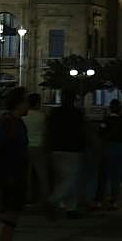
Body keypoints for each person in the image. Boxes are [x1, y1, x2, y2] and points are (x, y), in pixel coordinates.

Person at [0, 86, 29, 241]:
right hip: (9, 176)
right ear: (19, 103)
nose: (28, 105)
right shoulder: (8, 123)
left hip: (14, 175)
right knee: (8, 217)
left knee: (11, 218)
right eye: (26, 101)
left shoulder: (16, 123)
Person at [46, 89, 85, 217]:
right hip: (72, 149)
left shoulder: (55, 113)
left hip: (56, 148)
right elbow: (82, 131)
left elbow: (48, 130)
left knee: (61, 179)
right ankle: (55, 200)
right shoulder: (77, 114)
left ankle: (68, 207)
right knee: (70, 179)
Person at [20, 93, 49, 210]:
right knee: (42, 174)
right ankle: (45, 198)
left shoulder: (23, 116)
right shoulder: (42, 116)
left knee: (26, 174)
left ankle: (27, 197)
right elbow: (46, 132)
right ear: (38, 103)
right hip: (38, 146)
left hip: (25, 146)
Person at [103, 100, 122, 209]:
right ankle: (115, 200)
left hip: (109, 147)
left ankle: (102, 198)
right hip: (121, 147)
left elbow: (101, 132)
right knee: (117, 175)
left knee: (106, 173)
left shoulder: (107, 120)